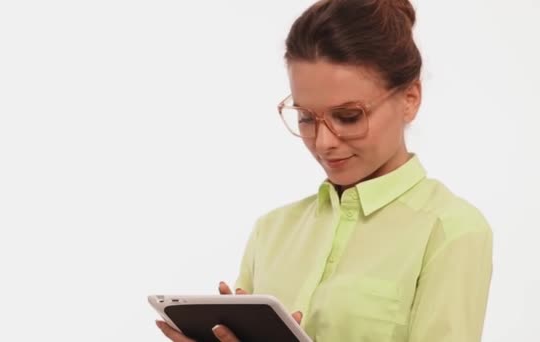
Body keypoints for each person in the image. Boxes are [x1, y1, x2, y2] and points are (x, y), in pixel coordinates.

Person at [155, 0, 493, 341]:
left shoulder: (451, 231)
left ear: (410, 98)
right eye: (305, 117)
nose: (323, 142)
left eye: (349, 116)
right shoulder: (271, 231)